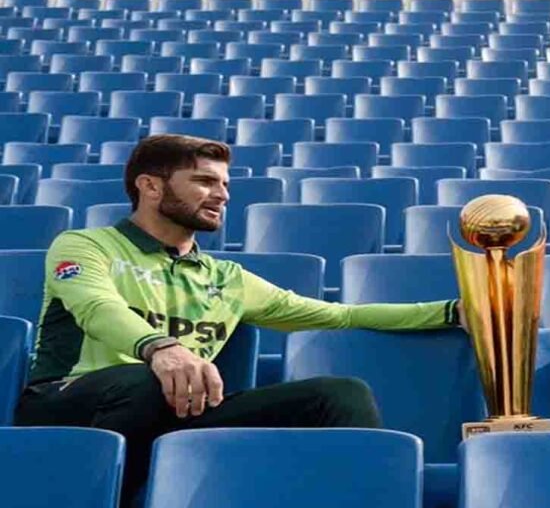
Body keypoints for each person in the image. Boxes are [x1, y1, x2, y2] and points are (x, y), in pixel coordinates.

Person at [15, 134, 463, 504]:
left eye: (225, 184)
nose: (223, 195)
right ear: (150, 186)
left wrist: (450, 312)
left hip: (177, 411)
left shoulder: (225, 277)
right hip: (73, 404)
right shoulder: (86, 245)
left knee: (341, 395)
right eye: (205, 181)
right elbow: (97, 306)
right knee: (147, 379)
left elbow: (340, 314)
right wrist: (161, 349)